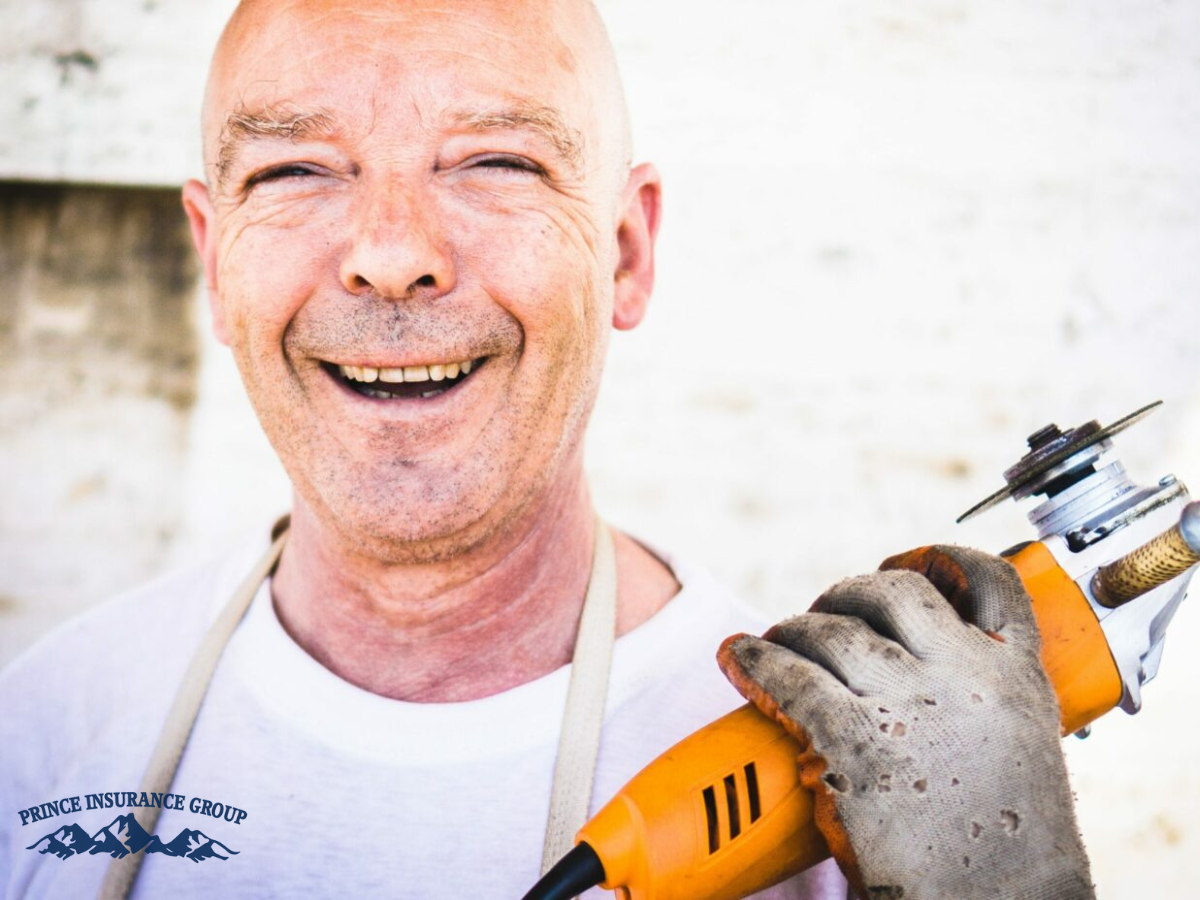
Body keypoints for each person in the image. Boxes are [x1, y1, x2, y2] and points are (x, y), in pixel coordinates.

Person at [0, 1, 1093, 898]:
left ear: (625, 251)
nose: (390, 255)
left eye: (494, 162)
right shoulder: (47, 730)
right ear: (213, 262)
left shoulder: (838, 795)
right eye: (293, 171)